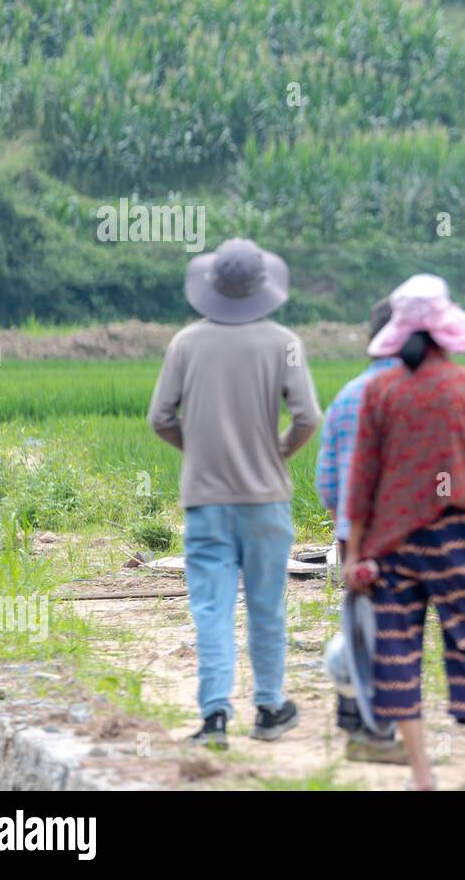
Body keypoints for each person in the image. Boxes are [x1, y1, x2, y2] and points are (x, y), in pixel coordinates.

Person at [343, 274, 465, 790]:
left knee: (398, 653)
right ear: (447, 328)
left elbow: (362, 478)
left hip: (393, 547)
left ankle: (423, 775)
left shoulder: (380, 391)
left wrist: (354, 552)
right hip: (458, 540)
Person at [147, 238, 321, 749]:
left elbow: (160, 418)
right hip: (266, 499)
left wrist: (198, 452)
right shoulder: (284, 341)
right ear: (262, 287)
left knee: (212, 609)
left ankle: (215, 716)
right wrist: (277, 452)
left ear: (212, 287)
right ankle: (269, 708)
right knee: (267, 606)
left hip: (206, 502)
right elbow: (308, 417)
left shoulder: (185, 343)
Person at [314, 296, 405, 763]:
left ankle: (354, 715)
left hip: (354, 538)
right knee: (394, 636)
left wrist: (344, 533)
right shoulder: (414, 394)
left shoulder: (348, 394)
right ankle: (377, 735)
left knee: (362, 627)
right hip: (404, 537)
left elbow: (327, 484)